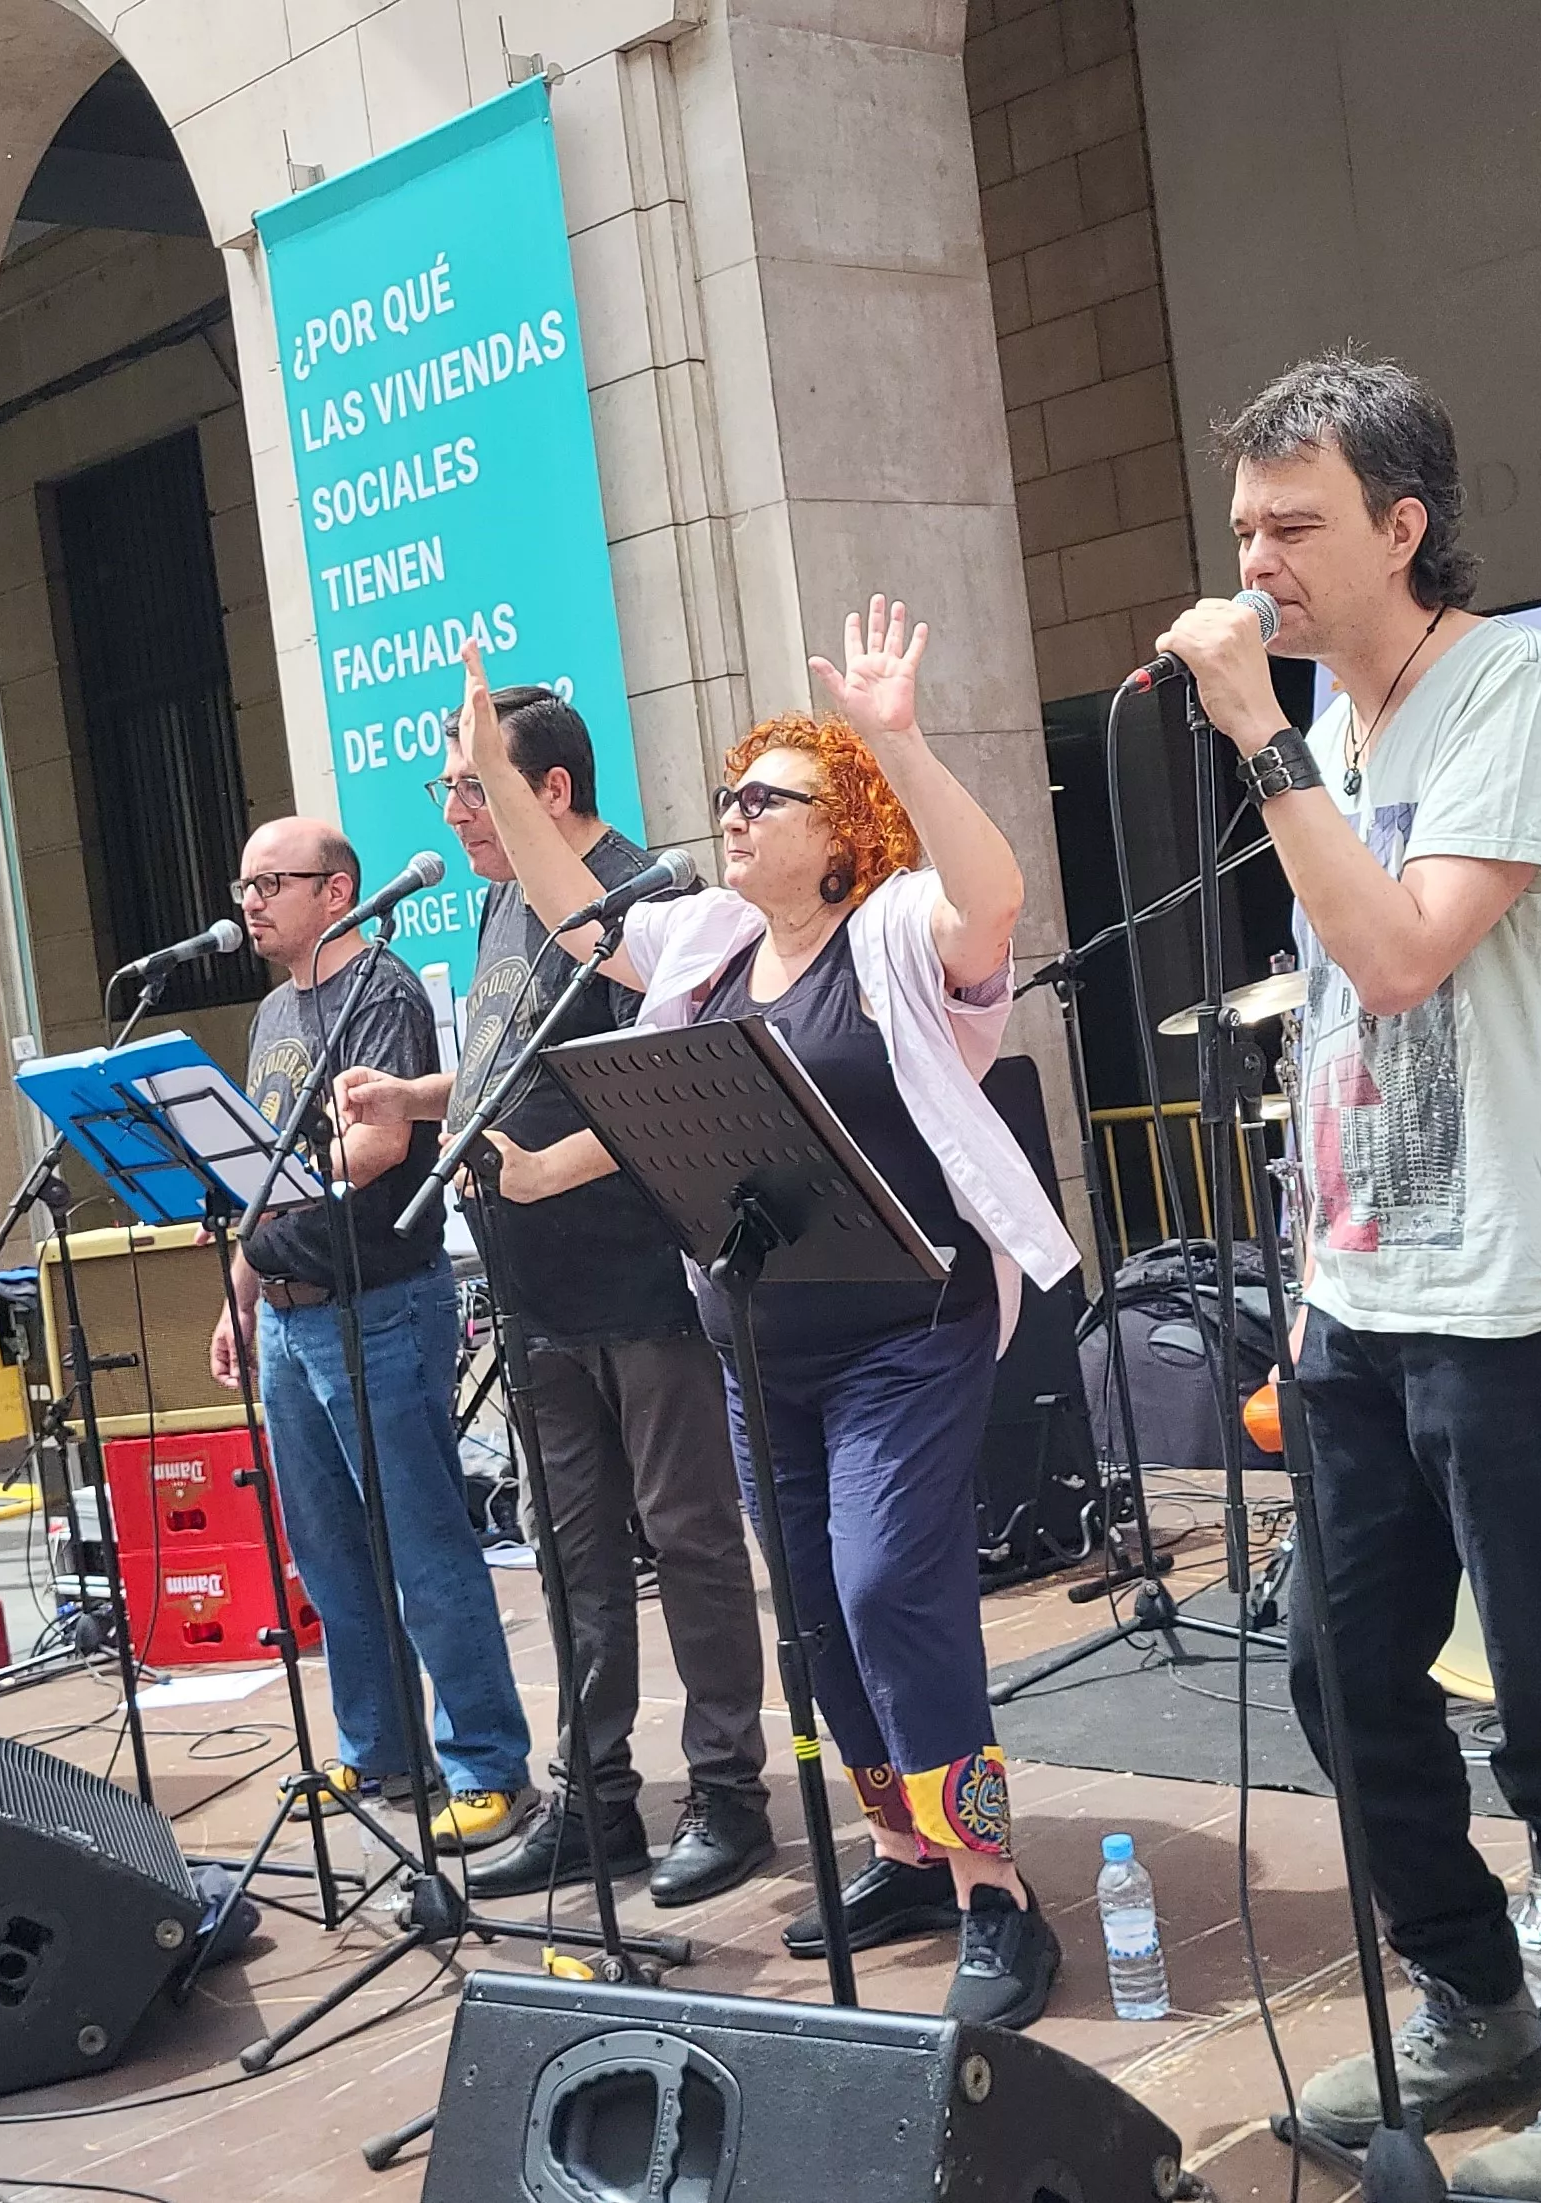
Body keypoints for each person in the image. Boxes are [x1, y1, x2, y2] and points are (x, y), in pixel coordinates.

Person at [1149, 353, 1541, 2200]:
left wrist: (1261, 738)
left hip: (1522, 1285)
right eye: (1243, 527)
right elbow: (1338, 1030)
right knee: (1336, 1672)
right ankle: (1474, 1994)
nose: (1258, 562)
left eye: (1295, 524)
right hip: (1368, 1289)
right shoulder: (1337, 731)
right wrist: (1316, 1270)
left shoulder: (1518, 691)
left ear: (1404, 527)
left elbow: (1398, 956)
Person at [456, 603, 1080, 2030]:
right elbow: (571, 912)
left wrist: (898, 739)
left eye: (764, 798)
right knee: (810, 1612)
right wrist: (495, 770)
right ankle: (905, 1851)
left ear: (839, 826)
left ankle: (994, 1883)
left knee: (883, 1592)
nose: (730, 816)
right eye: (726, 795)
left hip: (899, 1335)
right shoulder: (709, 942)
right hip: (756, 1341)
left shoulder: (900, 934)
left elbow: (990, 894)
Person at [334, 687, 776, 1907]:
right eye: (449, 788)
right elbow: (506, 1067)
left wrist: (543, 1171)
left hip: (642, 1279)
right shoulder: (491, 906)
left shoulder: (646, 898)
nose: (454, 812)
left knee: (686, 1540)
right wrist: (417, 1100)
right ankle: (596, 1803)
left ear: (554, 790)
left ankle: (727, 1792)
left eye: (471, 784)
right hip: (532, 1294)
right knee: (571, 1551)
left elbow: (676, 1085)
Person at [207, 818, 536, 1852]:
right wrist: (239, 1288)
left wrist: (275, 1193)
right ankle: (381, 1745)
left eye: (273, 882)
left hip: (378, 1305)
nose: (250, 900)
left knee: (422, 1544)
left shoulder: (381, 987)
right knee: (328, 1552)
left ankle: (486, 1762)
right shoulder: (271, 1011)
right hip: (290, 1312)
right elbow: (260, 1175)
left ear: (338, 888)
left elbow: (383, 1139)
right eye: (244, 881)